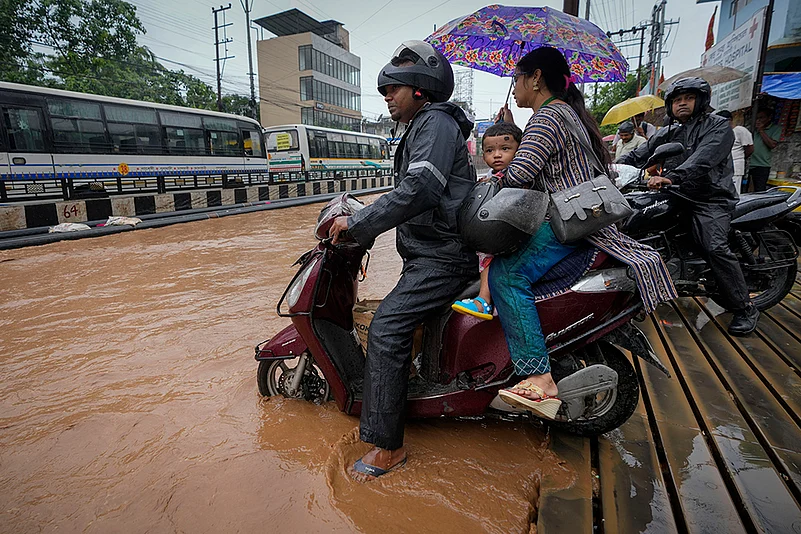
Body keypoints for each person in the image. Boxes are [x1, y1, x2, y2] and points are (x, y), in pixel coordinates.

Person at [490, 47, 677, 419]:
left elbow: (518, 175)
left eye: (516, 78)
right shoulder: (567, 113)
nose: (513, 88)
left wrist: (492, 179)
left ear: (536, 78)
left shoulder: (547, 118)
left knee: (505, 275)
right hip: (589, 219)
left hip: (571, 223)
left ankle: (538, 379)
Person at [328, 41, 476, 480]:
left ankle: (386, 447)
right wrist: (363, 214)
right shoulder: (425, 127)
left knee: (388, 327)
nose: (388, 97)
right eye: (385, 91)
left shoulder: (433, 123)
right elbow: (408, 192)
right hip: (429, 254)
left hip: (442, 258)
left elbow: (420, 190)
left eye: (394, 88)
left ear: (421, 90)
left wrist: (360, 225)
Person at [619, 77, 760, 335]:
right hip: (677, 194)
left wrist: (672, 176)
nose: (682, 103)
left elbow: (703, 159)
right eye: (677, 99)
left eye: (689, 98)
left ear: (701, 101)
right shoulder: (670, 131)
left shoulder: (718, 126)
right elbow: (639, 154)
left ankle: (745, 307)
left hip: (709, 199)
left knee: (713, 246)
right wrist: (608, 168)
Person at [451, 122, 523, 320]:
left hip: (510, 234)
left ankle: (483, 300)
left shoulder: (518, 175)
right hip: (496, 230)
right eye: (490, 150)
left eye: (505, 149)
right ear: (483, 155)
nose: (497, 155)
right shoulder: (488, 177)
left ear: (520, 151)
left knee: (486, 253)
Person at [716, 110, 753, 194]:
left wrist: (739, 157)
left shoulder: (740, 130)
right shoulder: (721, 132)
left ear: (729, 120)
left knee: (734, 191)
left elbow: (750, 148)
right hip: (723, 167)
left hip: (736, 167)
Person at [749, 108, 781, 192]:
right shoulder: (752, 129)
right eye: (757, 118)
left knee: (759, 191)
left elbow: (772, 145)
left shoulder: (775, 129)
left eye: (761, 118)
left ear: (769, 118)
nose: (758, 121)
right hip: (748, 164)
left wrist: (761, 130)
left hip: (762, 165)